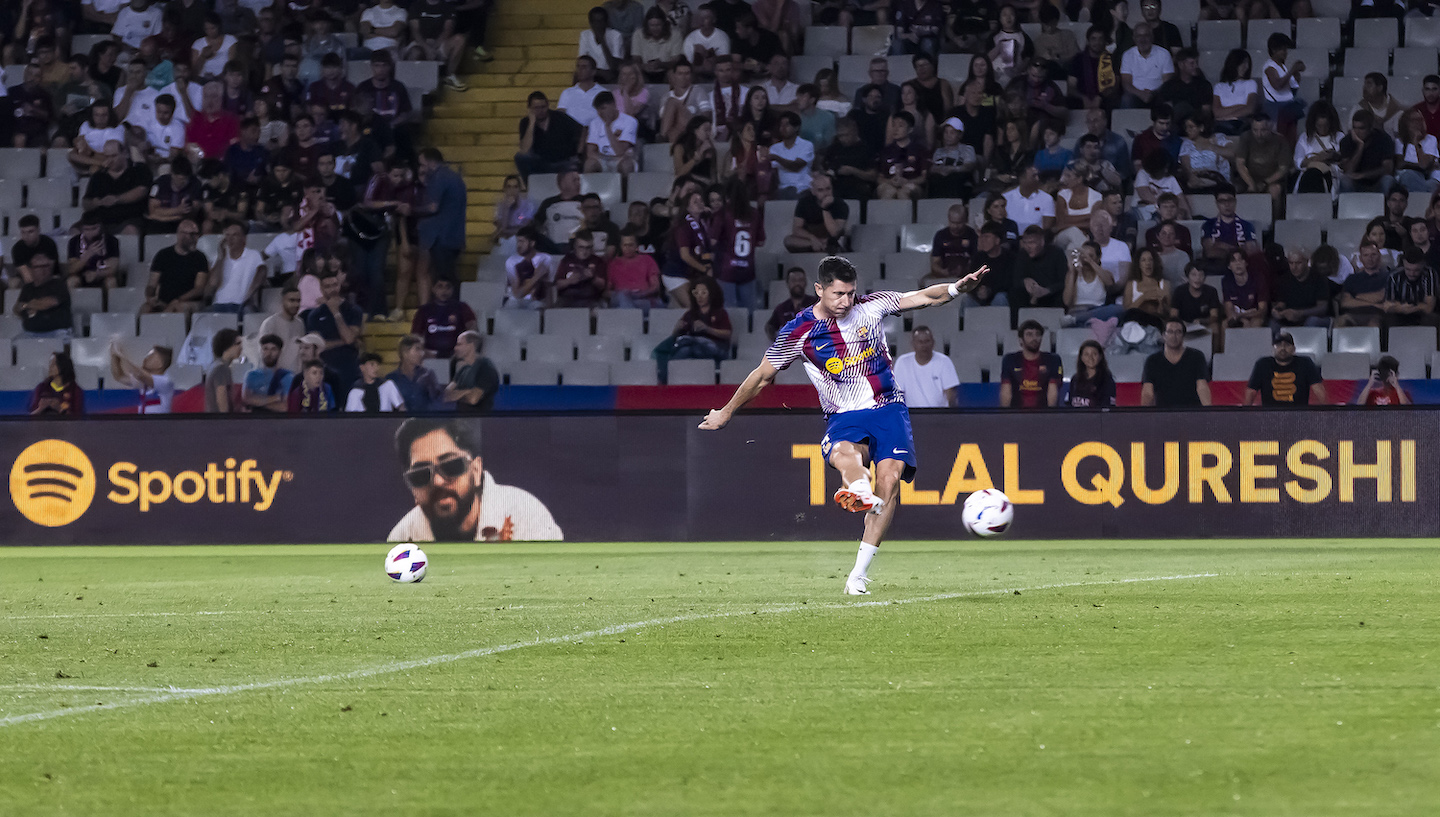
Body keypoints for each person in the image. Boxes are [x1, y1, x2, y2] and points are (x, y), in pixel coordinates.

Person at [700, 255, 986, 594]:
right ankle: (859, 489)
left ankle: (858, 574)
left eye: (850, 293)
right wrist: (727, 412)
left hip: (888, 407)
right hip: (844, 414)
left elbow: (924, 297)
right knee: (843, 451)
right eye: (838, 294)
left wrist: (956, 288)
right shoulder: (799, 331)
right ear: (819, 289)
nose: (846, 301)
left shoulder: (872, 306)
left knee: (890, 480)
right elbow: (762, 376)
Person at [388, 417, 562, 542]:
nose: (438, 481)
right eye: (420, 475)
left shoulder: (525, 515)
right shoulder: (403, 536)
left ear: (476, 470)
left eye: (451, 466)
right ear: (412, 489)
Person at [652, 277, 732, 383]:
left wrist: (707, 329)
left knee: (694, 346)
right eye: (696, 293)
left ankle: (664, 380)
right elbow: (675, 335)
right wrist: (677, 328)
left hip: (716, 348)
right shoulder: (690, 314)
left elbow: (727, 334)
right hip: (694, 347)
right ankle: (667, 379)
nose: (700, 296)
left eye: (703, 293)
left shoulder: (720, 313)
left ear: (711, 293)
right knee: (687, 348)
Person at [415, 148, 468, 290]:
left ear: (431, 162)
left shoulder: (439, 177)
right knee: (447, 276)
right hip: (454, 236)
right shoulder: (453, 177)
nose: (421, 168)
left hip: (441, 237)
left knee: (446, 280)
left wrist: (412, 210)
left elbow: (432, 207)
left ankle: (454, 309)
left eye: (422, 164)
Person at [305, 273, 364, 391]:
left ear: (340, 285)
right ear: (321, 289)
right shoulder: (314, 315)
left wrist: (336, 313)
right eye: (327, 286)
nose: (332, 290)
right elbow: (317, 345)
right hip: (324, 370)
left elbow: (349, 338)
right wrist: (343, 342)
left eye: (335, 285)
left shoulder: (353, 310)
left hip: (350, 369)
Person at [1140, 318, 1211, 407]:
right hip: (1163, 413)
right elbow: (1148, 392)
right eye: (1170, 332)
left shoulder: (1196, 356)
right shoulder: (1152, 360)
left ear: (1183, 335)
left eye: (1178, 332)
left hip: (1192, 411)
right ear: (1163, 335)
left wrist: (1208, 412)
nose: (1174, 336)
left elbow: (1202, 387)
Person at [1243, 331, 1325, 406]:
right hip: (1269, 416)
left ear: (1294, 349)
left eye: (1287, 345)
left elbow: (1318, 389)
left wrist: (1327, 414)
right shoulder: (1262, 364)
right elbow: (1251, 392)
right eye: (1278, 345)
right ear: (1272, 349)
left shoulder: (1305, 363)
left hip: (1299, 415)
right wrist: (1245, 416)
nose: (1283, 348)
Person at [998, 319, 1063, 409]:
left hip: (1043, 416)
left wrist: (1050, 418)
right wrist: (1005, 417)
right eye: (1029, 334)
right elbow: (1006, 392)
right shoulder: (1010, 360)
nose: (1034, 338)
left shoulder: (1053, 360)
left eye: (1038, 334)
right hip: (1016, 416)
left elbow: (1053, 392)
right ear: (1021, 340)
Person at [205, 221, 265, 314]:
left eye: (234, 235)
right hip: (218, 305)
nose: (230, 239)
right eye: (227, 235)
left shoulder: (253, 255)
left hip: (241, 305)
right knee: (201, 316)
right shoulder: (220, 258)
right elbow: (213, 283)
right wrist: (220, 258)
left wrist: (249, 295)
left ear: (243, 238)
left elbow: (262, 272)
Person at [892, 327, 960, 408]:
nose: (924, 345)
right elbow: (897, 394)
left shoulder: (944, 361)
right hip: (912, 415)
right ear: (913, 344)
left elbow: (951, 395)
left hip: (939, 415)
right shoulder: (902, 362)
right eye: (920, 342)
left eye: (927, 341)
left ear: (933, 343)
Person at [784, 174, 848, 253]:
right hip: (810, 241)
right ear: (813, 191)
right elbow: (796, 229)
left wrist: (825, 209)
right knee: (788, 241)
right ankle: (821, 246)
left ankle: (825, 246)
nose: (825, 193)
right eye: (820, 190)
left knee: (834, 242)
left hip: (831, 240)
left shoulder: (840, 204)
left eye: (828, 189)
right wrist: (812, 238)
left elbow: (834, 232)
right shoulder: (804, 202)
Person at [13, 255, 72, 341]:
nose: (44, 270)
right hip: (30, 333)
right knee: (12, 346)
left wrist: (27, 305)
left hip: (57, 333)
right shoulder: (27, 288)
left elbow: (50, 302)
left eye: (46, 266)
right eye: (38, 267)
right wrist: (29, 305)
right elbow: (16, 308)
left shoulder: (59, 284)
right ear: (31, 269)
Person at [109, 341, 176, 414]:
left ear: (160, 364)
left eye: (152, 356)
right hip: (143, 424)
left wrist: (120, 354)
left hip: (160, 424)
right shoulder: (143, 382)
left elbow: (138, 374)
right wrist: (114, 356)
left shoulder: (165, 382)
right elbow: (119, 376)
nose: (146, 358)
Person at [1010, 226, 1066, 311]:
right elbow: (1015, 280)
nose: (1028, 247)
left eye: (1032, 243)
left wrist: (1047, 290)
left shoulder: (1057, 253)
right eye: (1025, 243)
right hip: (1030, 295)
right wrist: (1024, 281)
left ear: (1042, 241)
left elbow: (1063, 281)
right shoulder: (1022, 254)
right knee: (1015, 293)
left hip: (1052, 295)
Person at [1271, 250, 1331, 329]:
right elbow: (1281, 303)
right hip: (1290, 318)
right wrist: (1277, 310)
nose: (1294, 267)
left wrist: (1300, 313)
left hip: (1313, 317)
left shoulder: (1319, 278)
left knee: (1312, 321)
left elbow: (1322, 308)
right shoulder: (1285, 279)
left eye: (1298, 263)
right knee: (1272, 324)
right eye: (1291, 263)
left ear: (1306, 261)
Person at [1119, 23, 1174, 109]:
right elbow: (1126, 83)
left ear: (1152, 37)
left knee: (1167, 100)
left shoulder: (1164, 54)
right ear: (1134, 38)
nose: (1142, 39)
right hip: (1135, 94)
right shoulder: (1127, 55)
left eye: (1146, 35)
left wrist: (1152, 93)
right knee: (1126, 99)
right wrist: (1141, 94)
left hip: (1158, 94)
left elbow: (1167, 82)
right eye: (1139, 36)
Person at [446, 331, 502, 413]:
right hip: (461, 420)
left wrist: (456, 395)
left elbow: (473, 399)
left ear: (471, 346)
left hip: (479, 421)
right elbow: (446, 395)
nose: (455, 348)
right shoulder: (463, 369)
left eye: (459, 344)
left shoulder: (486, 368)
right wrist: (467, 392)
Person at [388, 334, 446, 412]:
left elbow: (437, 401)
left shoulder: (428, 374)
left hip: (425, 421)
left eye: (422, 350)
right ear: (405, 353)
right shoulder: (392, 379)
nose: (421, 353)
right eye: (417, 349)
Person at [1383, 247, 1440, 327]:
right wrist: (1402, 309)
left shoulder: (1430, 274)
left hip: (1422, 315)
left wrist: (1408, 307)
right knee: (1389, 319)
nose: (1412, 273)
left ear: (1423, 264)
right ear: (1403, 263)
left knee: (1432, 318)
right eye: (1408, 269)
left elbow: (1429, 308)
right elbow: (1387, 306)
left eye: (1416, 270)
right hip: (1400, 314)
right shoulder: (1394, 276)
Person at [259, 284, 305, 373]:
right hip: (275, 376)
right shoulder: (270, 323)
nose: (296, 304)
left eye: (298, 301)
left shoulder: (300, 323)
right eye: (292, 300)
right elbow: (264, 353)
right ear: (282, 301)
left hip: (295, 375)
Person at [243, 334, 294, 413]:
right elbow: (246, 400)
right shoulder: (251, 375)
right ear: (261, 351)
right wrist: (275, 398)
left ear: (279, 352)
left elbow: (285, 407)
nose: (269, 353)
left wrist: (257, 404)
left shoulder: (287, 376)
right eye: (265, 349)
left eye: (273, 349)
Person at [764, 267, 818, 340]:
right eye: (793, 280)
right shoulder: (781, 308)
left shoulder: (816, 304)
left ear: (805, 283)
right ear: (787, 283)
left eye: (800, 280)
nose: (797, 283)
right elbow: (770, 326)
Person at [9, 215, 60, 287]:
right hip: (27, 280)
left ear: (38, 230)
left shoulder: (49, 243)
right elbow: (26, 275)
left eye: (30, 232)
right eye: (23, 232)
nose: (26, 236)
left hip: (50, 277)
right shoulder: (17, 248)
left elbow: (49, 270)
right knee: (13, 282)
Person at [1064, 340, 1116, 408]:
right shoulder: (1075, 379)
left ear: (1100, 357)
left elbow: (1108, 408)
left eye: (1094, 354)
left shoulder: (1107, 380)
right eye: (1086, 354)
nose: (1090, 358)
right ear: (1081, 357)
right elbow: (1069, 404)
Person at [204, 327, 242, 413]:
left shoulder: (214, 365)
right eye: (237, 343)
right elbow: (221, 397)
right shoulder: (222, 368)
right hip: (219, 423)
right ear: (227, 346)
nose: (241, 347)